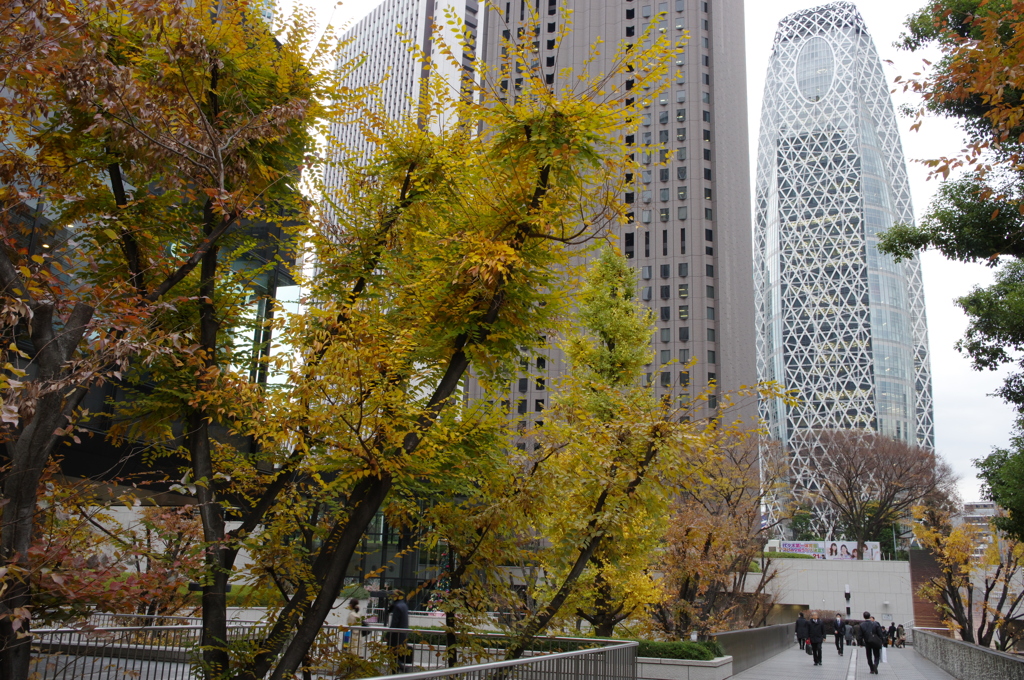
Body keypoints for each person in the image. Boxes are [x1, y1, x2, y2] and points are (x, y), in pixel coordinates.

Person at [387, 593, 411, 672]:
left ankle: (402, 670)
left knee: (391, 655)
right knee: (395, 655)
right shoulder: (404, 605)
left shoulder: (397, 607)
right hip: (402, 635)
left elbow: (394, 623)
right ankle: (399, 671)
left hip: (395, 636)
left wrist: (388, 635)